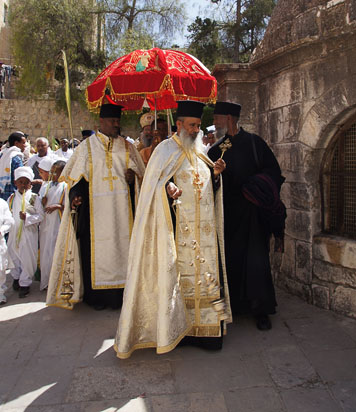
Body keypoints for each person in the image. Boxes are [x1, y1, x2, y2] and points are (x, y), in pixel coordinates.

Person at [114, 100, 231, 359]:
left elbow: (209, 190)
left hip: (205, 237)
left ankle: (208, 332)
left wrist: (216, 176)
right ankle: (179, 330)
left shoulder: (202, 152)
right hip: (177, 234)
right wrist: (166, 190)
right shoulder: (164, 151)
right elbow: (152, 189)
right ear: (178, 125)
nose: (195, 131)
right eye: (191, 125)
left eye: (198, 126)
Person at [47, 100, 145, 311]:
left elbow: (141, 179)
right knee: (95, 252)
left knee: (124, 249)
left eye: (118, 121)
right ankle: (97, 299)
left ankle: (122, 297)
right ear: (101, 121)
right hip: (95, 214)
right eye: (112, 121)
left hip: (123, 214)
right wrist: (75, 197)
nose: (116, 124)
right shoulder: (86, 148)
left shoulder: (127, 147)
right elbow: (77, 181)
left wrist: (132, 178)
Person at [208, 101, 286, 331]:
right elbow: (208, 185)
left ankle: (260, 309)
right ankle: (236, 306)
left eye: (217, 117)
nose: (213, 121)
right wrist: (216, 175)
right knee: (231, 260)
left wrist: (255, 187)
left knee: (256, 262)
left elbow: (273, 172)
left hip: (253, 214)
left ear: (229, 118)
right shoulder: (216, 150)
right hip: (229, 216)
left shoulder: (254, 143)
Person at [7, 166, 44, 298]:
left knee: (28, 258)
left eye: (26, 182)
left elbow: (41, 216)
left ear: (30, 184)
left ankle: (25, 283)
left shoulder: (34, 198)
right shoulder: (11, 198)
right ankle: (17, 277)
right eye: (20, 182)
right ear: (16, 183)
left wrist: (27, 218)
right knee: (14, 256)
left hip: (28, 233)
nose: (23, 185)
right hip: (14, 233)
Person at [38, 160, 66, 291]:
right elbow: (38, 205)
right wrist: (42, 202)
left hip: (58, 224)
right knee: (45, 252)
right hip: (46, 225)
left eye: (56, 172)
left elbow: (69, 205)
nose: (53, 174)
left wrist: (58, 206)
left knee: (56, 251)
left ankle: (58, 282)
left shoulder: (66, 186)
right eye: (52, 171)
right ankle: (47, 281)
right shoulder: (46, 186)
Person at [0, 131, 25, 200]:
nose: (25, 145)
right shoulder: (15, 158)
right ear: (16, 143)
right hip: (12, 193)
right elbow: (21, 177)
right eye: (23, 143)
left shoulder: (2, 155)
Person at [0, 197, 14, 304]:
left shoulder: (2, 203)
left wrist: (2, 230)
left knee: (1, 270)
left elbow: (9, 220)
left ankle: (0, 294)